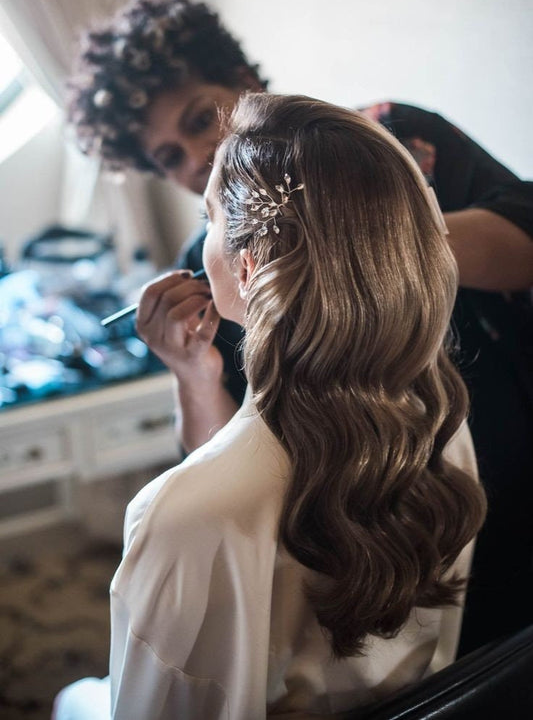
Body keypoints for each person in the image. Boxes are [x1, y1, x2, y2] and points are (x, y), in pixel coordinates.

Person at [67, 0, 533, 654]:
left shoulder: (401, 144)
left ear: (245, 83)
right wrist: (192, 374)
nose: (195, 156)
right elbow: (226, 473)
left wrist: (360, 227)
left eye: (199, 120)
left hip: (504, 468)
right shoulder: (216, 268)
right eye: (168, 157)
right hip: (368, 547)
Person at [55, 93, 486, 719]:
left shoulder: (179, 514)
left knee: (71, 701)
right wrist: (195, 375)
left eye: (208, 219)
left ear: (250, 268)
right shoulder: (444, 424)